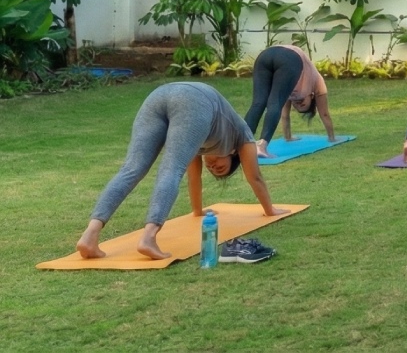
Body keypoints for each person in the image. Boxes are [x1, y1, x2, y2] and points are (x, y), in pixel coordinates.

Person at [75, 81, 285, 261]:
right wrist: (270, 210)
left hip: (161, 95)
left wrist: (198, 212)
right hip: (193, 100)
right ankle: (148, 238)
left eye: (214, 169)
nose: (212, 166)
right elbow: (255, 177)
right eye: (219, 167)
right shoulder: (242, 134)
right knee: (166, 169)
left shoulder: (200, 134)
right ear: (233, 154)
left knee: (132, 169)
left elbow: (194, 177)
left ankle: (89, 236)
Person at [244, 43, 336, 157]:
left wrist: (288, 137)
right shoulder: (317, 82)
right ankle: (260, 147)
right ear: (312, 97)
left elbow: (285, 115)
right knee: (271, 103)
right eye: (303, 104)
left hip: (267, 54)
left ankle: (240, 145)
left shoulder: (290, 91)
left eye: (298, 106)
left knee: (258, 103)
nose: (298, 102)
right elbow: (325, 114)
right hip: (290, 58)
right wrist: (332, 138)